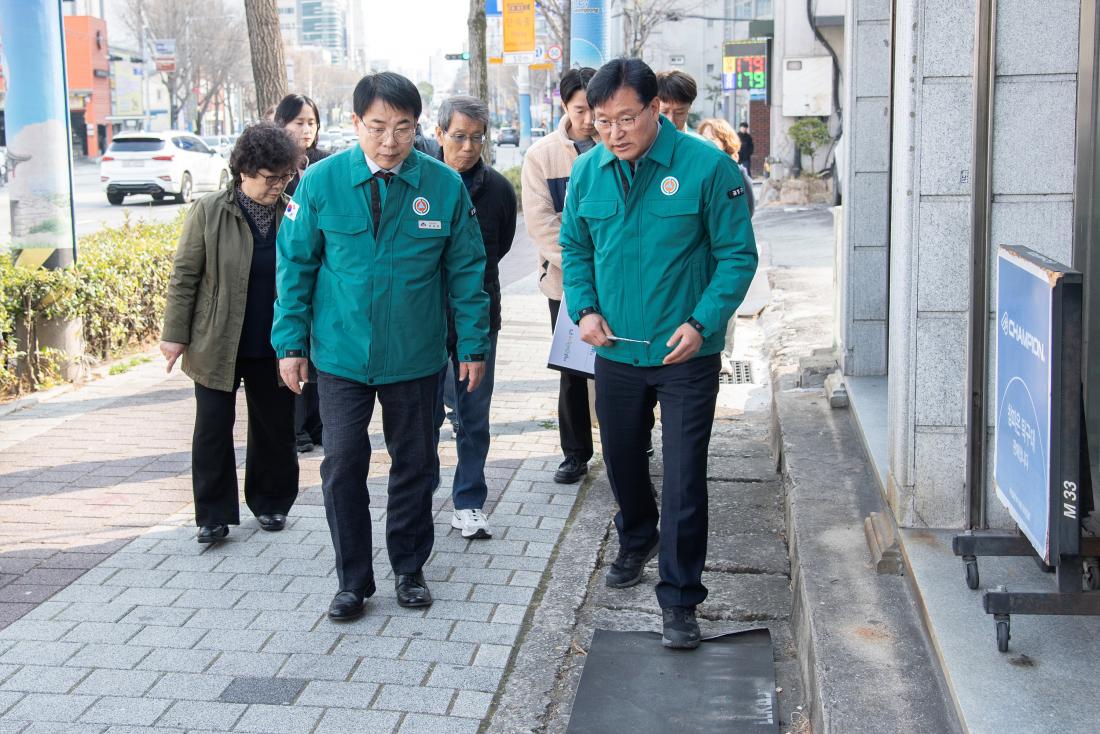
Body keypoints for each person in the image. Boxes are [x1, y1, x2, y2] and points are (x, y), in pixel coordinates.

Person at [272, 72, 490, 622]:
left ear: (418, 128)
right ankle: (352, 580)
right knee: (343, 464)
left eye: (402, 128)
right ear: (355, 124)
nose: (389, 141)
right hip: (341, 355)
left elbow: (467, 271)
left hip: (415, 356)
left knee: (415, 464)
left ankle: (409, 568)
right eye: (376, 127)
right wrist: (289, 344)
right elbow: (294, 268)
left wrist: (472, 345)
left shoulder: (442, 186)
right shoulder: (320, 183)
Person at [560, 58, 758, 649]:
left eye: (627, 118)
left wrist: (704, 323)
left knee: (684, 476)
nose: (615, 132)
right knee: (620, 459)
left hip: (685, 356)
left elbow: (737, 256)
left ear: (656, 110)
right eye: (602, 121)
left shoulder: (707, 168)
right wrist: (585, 309)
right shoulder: (589, 174)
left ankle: (679, 599)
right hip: (617, 351)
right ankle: (637, 533)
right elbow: (575, 247)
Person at [160, 122, 302, 545]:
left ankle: (272, 502)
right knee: (212, 427)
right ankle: (213, 515)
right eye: (270, 177)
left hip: (273, 340)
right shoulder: (208, 211)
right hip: (216, 340)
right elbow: (185, 276)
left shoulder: (292, 211)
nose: (279, 184)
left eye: (285, 175)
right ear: (244, 171)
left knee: (275, 426)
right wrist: (175, 334)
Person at [431, 96, 517, 540]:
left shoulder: (499, 190)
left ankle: (468, 501)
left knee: (473, 413)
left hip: (480, 315)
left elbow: (497, 248)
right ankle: (420, 490)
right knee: (422, 412)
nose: (468, 146)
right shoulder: (418, 179)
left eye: (477, 138)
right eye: (459, 136)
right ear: (440, 133)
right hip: (422, 317)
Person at [521, 66, 599, 485]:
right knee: (574, 368)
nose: (589, 120)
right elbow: (541, 223)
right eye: (580, 109)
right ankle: (575, 453)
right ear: (565, 106)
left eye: (595, 109)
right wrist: (583, 265)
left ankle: (635, 437)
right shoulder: (543, 155)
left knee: (625, 365)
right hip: (565, 282)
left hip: (620, 278)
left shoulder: (619, 145)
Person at [274, 93, 328, 454]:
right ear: (282, 124)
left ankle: (318, 425)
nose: (306, 129)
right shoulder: (274, 166)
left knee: (321, 354)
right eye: (299, 122)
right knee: (294, 350)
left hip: (324, 276)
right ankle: (294, 431)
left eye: (311, 122)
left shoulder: (326, 165)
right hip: (290, 270)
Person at [698, 118, 754, 217]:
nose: (706, 143)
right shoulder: (697, 171)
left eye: (712, 139)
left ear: (724, 143)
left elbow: (748, 209)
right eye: (703, 138)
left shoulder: (736, 173)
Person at [656, 70, 709, 143]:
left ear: (689, 109)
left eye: (679, 113)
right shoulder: (640, 148)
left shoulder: (702, 148)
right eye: (664, 112)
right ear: (652, 108)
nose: (671, 122)